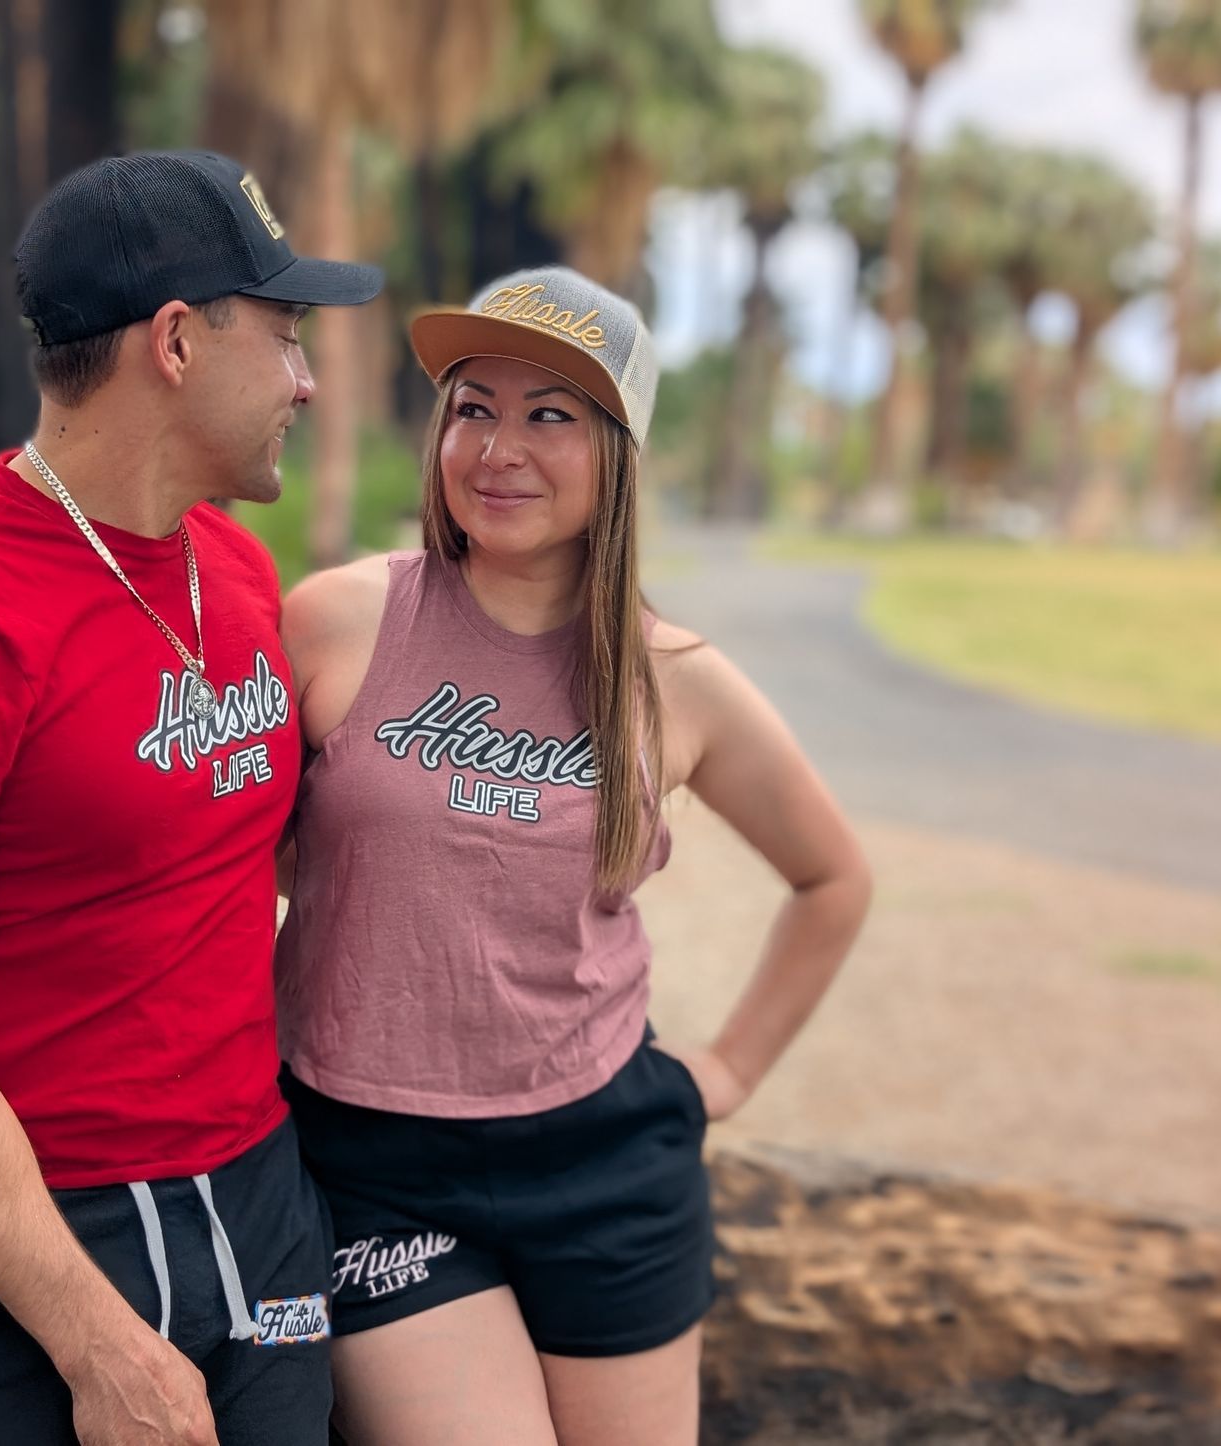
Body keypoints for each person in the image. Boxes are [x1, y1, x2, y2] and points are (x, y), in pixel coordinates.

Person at [0, 151, 381, 1446]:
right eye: (284, 335)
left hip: (259, 1231)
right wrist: (99, 1342)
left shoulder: (234, 561)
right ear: (176, 340)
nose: (307, 379)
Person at [274, 266, 874, 1445]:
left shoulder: (674, 680)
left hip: (605, 1158)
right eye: (473, 406)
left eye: (550, 414)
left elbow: (833, 878)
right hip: (371, 1161)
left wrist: (729, 1072)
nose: (500, 447)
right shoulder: (339, 621)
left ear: (619, 453)